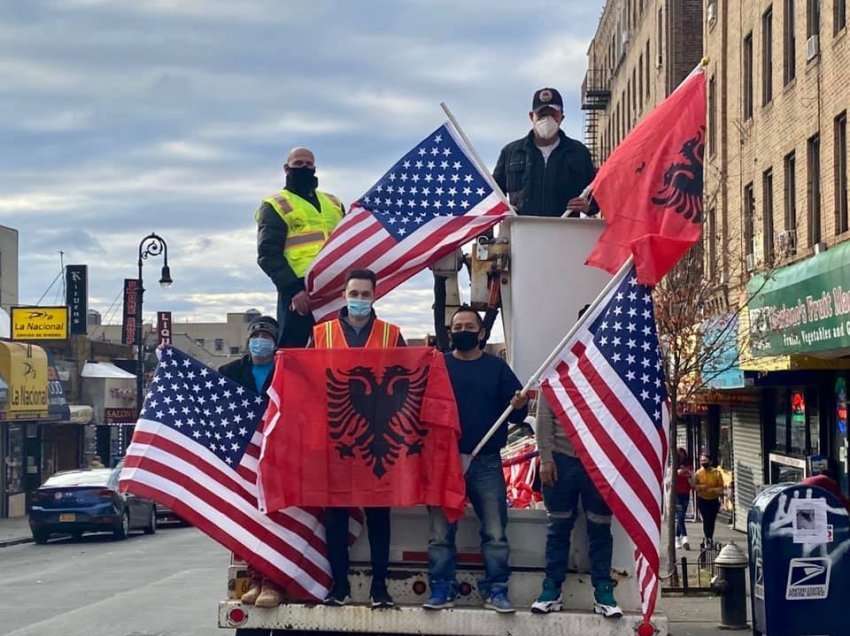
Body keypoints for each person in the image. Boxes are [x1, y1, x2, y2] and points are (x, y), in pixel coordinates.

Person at [424, 306, 528, 614]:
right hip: (445, 462)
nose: (463, 331)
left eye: (469, 326)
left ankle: (496, 590)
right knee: (440, 533)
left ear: (481, 333)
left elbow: (518, 414)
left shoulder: (496, 369)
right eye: (457, 326)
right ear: (450, 331)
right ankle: (441, 587)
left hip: (486, 462)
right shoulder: (438, 367)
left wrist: (519, 403)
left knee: (495, 532)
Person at [315, 269, 404, 609]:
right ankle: (340, 587)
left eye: (366, 294)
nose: (360, 300)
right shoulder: (320, 334)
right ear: (344, 293)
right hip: (335, 442)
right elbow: (306, 383)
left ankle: (379, 588)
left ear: (374, 296)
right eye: (355, 293)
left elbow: (407, 379)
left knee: (380, 516)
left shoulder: (391, 335)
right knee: (335, 517)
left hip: (376, 441)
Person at [529, 395, 623, 618]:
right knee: (558, 529)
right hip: (561, 460)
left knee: (600, 528)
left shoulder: (604, 367)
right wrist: (546, 458)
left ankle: (603, 592)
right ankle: (551, 590)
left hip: (599, 459)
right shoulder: (553, 370)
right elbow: (544, 418)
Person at [218, 315, 281, 608]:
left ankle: (272, 581)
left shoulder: (285, 370)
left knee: (275, 520)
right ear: (248, 340)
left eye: (267, 337)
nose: (261, 342)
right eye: (257, 336)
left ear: (275, 342)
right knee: (249, 522)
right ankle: (255, 579)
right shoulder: (229, 372)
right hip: (243, 459)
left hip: (277, 457)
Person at [256, 146, 345, 348]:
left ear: (315, 168)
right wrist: (294, 290)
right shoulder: (275, 204)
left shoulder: (333, 202)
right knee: (294, 351)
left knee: (336, 347)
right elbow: (268, 255)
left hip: (333, 287)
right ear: (286, 169)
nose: (303, 168)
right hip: (298, 293)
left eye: (308, 164)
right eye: (298, 164)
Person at [493, 87, 597, 218]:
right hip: (522, 231)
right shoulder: (511, 153)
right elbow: (492, 197)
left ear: (562, 117)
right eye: (542, 114)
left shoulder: (578, 153)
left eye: (553, 114)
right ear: (532, 116)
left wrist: (588, 206)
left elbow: (597, 196)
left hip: (565, 231)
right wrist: (487, 235)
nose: (547, 120)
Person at [693, 453, 724, 548]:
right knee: (706, 520)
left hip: (713, 500)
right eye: (702, 461)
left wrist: (713, 490)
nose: (703, 463)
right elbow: (694, 486)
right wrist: (701, 487)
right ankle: (708, 538)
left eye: (705, 461)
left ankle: (710, 537)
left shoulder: (716, 473)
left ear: (710, 462)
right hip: (703, 500)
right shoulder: (698, 473)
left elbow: (721, 488)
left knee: (711, 520)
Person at [674, 448, 693, 551]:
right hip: (676, 494)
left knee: (681, 516)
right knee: (680, 515)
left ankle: (677, 538)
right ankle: (685, 538)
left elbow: (690, 474)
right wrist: (680, 472)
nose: (681, 456)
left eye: (683, 454)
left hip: (686, 492)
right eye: (679, 455)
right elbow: (676, 473)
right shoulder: (674, 465)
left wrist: (686, 472)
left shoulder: (688, 464)